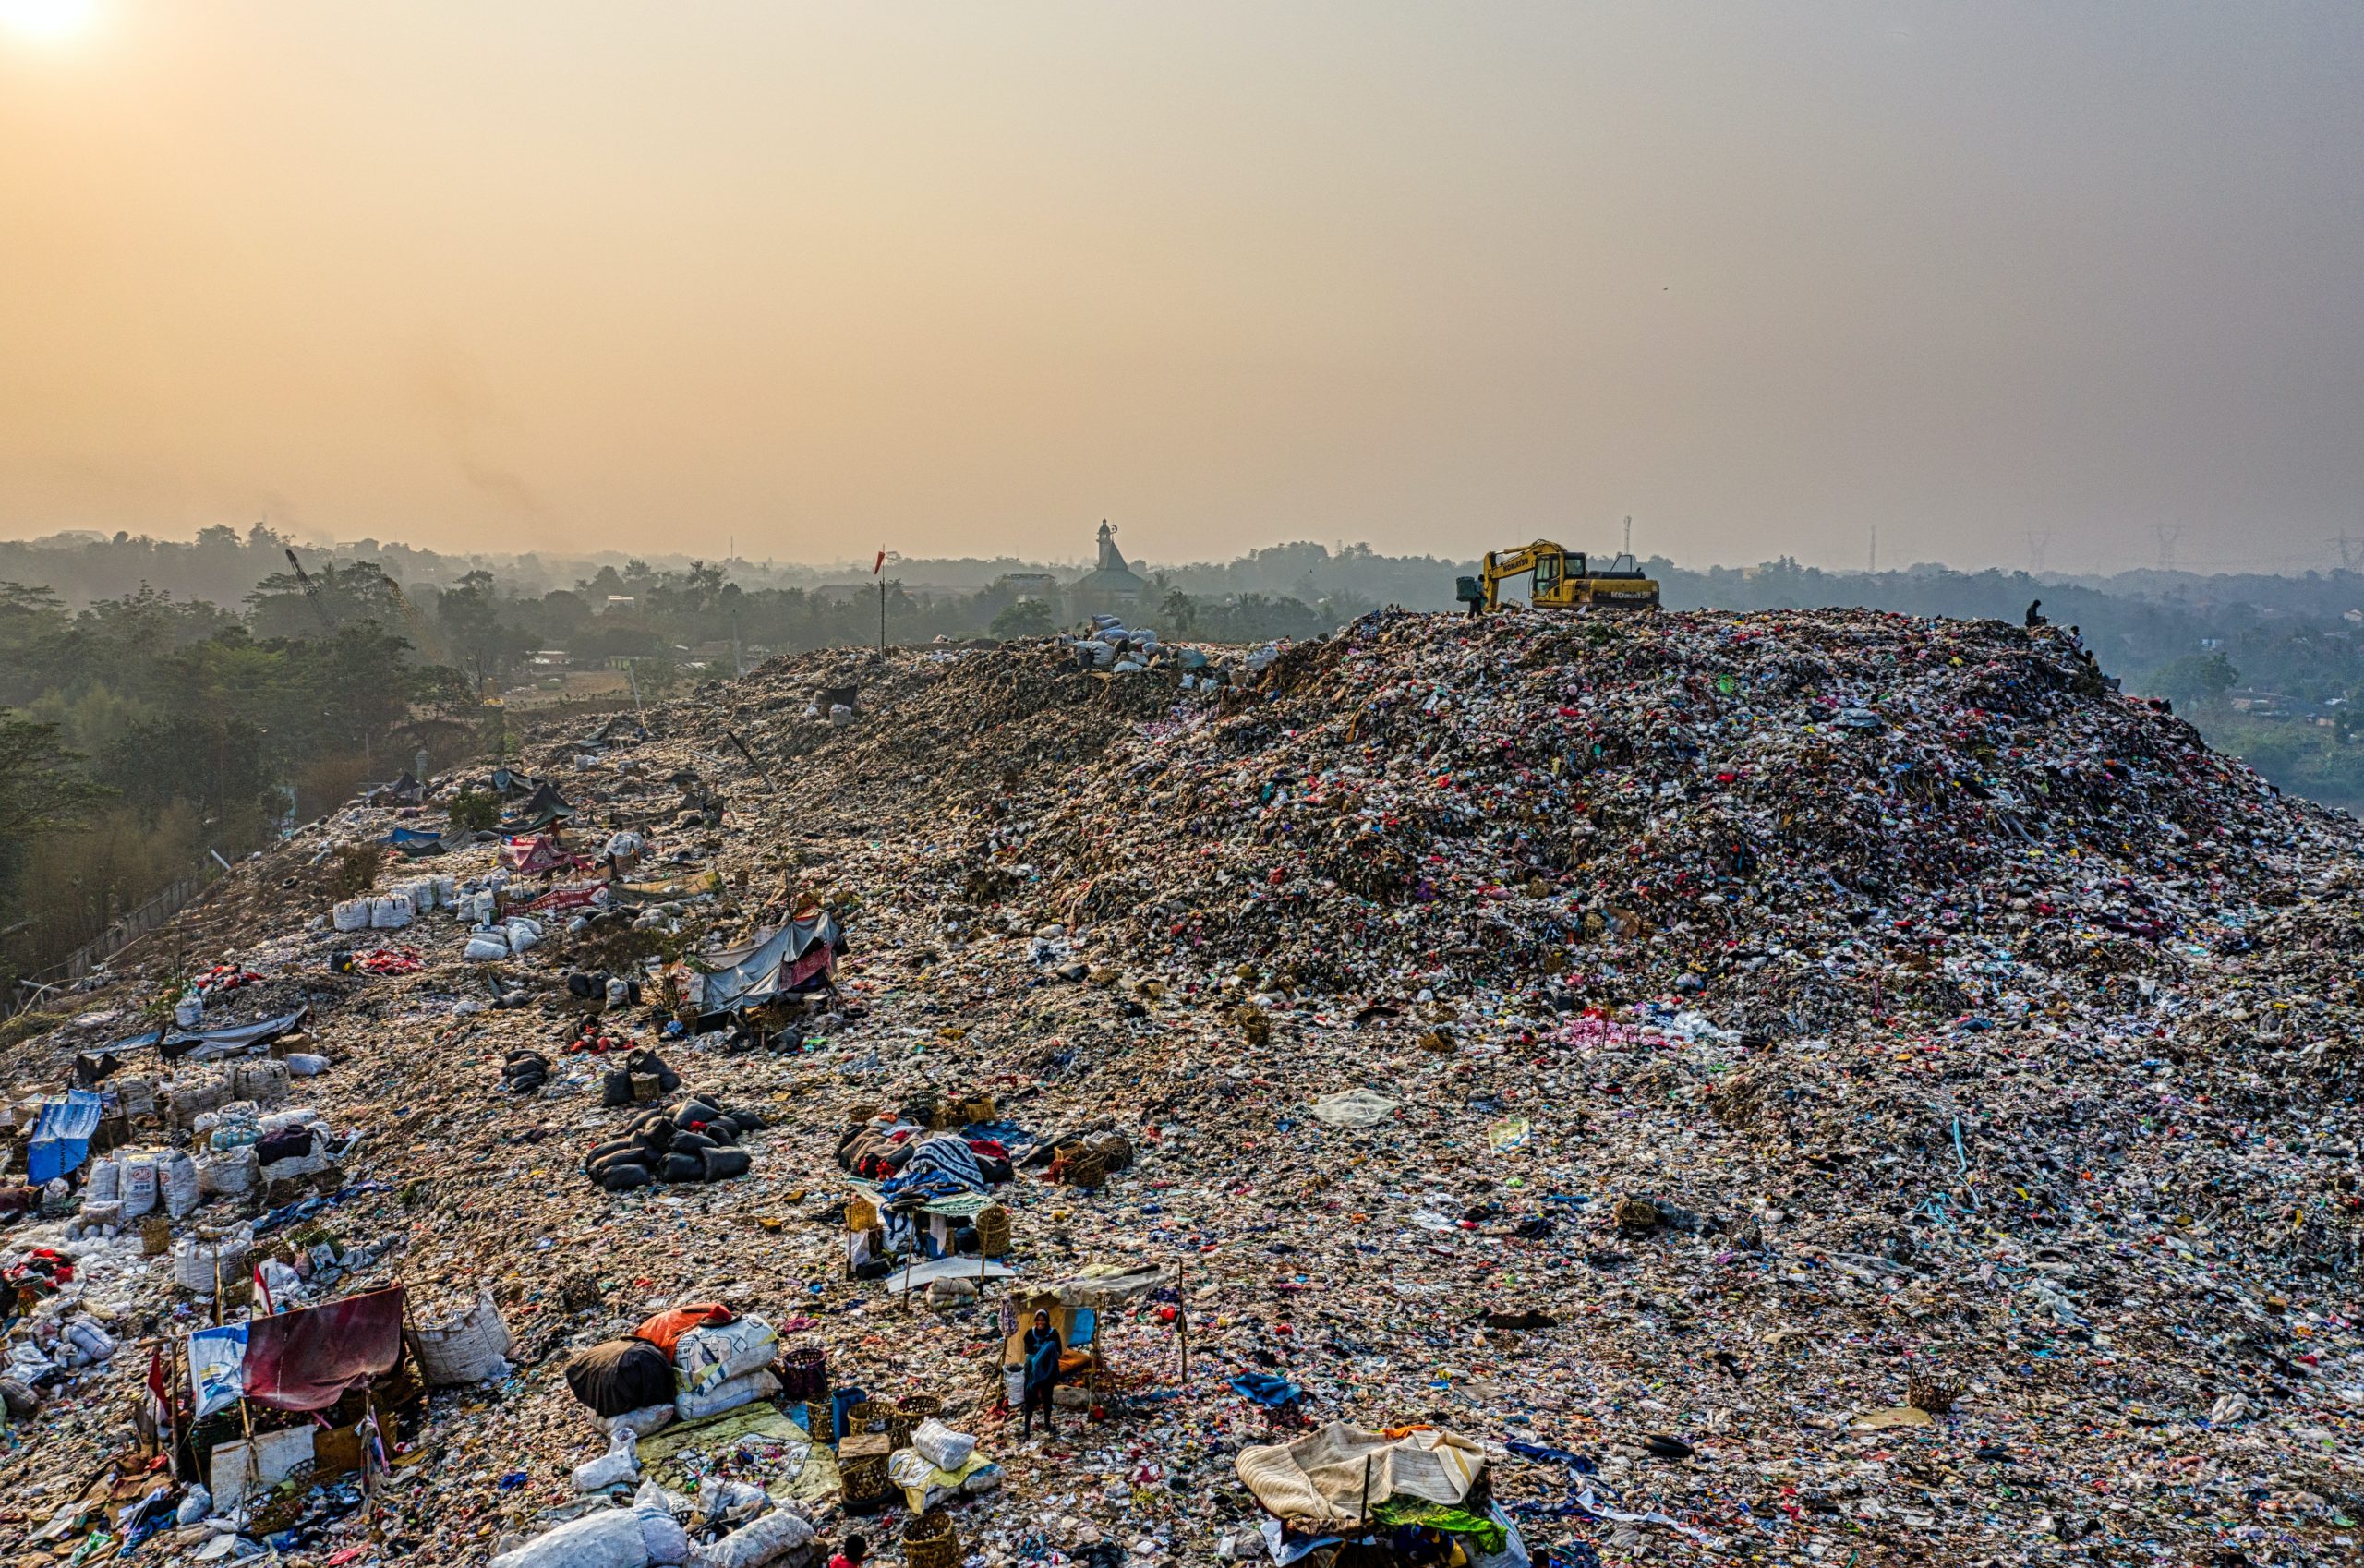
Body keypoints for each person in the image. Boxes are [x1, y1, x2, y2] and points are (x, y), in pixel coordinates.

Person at [1022, 1308, 1063, 1440]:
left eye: (1043, 1320)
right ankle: (1027, 1430)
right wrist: (1037, 1356)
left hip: (1047, 1372)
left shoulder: (1053, 1334)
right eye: (1038, 1320)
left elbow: (1058, 1353)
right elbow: (1027, 1351)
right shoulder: (1030, 1333)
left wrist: (1046, 1352)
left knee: (1047, 1399)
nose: (1040, 1322)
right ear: (1035, 1321)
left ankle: (1047, 1424)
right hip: (1033, 1373)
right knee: (1029, 1399)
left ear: (1047, 1321)